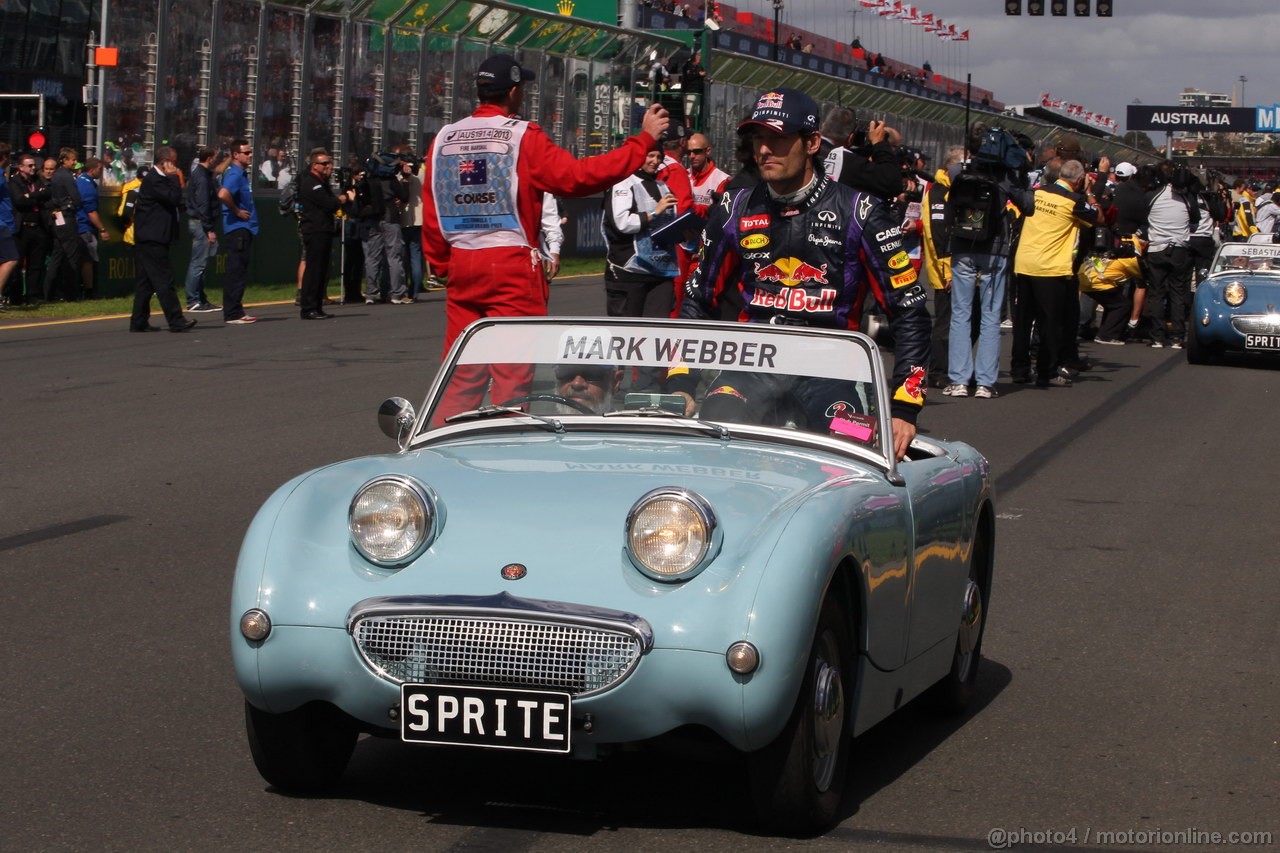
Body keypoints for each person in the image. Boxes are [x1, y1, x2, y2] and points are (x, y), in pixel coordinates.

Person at [680, 88, 931, 460]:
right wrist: (681, 381)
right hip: (753, 365)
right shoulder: (734, 206)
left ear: (812, 142)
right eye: (757, 139)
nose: (764, 150)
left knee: (852, 451)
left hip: (831, 369)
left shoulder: (861, 211)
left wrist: (906, 408)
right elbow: (697, 297)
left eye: (777, 139)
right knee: (713, 430)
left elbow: (909, 309)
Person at [422, 53, 669, 416]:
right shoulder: (522, 135)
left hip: (461, 260)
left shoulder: (444, 136)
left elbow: (434, 206)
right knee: (511, 374)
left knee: (462, 372)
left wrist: (441, 261)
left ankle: (442, 445)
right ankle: (506, 446)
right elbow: (576, 178)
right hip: (510, 263)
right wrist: (642, 141)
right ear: (515, 91)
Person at [943, 124, 1035, 400]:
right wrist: (1020, 172)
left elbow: (952, 178)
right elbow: (1028, 206)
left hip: (962, 245)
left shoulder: (960, 171)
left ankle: (959, 380)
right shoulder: (1006, 177)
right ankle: (985, 382)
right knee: (991, 315)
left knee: (960, 313)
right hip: (995, 248)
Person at [1010, 159, 1099, 385]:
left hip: (1024, 263)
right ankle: (1045, 371)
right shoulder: (1075, 200)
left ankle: (1019, 369)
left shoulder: (1036, 192)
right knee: (1049, 322)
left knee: (1022, 322)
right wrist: (1089, 193)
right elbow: (1099, 217)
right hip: (1051, 269)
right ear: (1079, 180)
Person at [603, 149, 680, 322]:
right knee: (626, 333)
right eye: (650, 156)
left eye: (659, 157)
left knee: (658, 332)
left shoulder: (663, 187)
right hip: (628, 271)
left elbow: (668, 224)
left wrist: (683, 231)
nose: (655, 161)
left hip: (661, 272)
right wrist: (654, 212)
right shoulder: (622, 184)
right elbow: (622, 223)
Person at [129, 146, 197, 333]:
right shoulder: (154, 179)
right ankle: (176, 320)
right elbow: (174, 198)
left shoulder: (160, 179)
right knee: (163, 280)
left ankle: (139, 321)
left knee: (146, 282)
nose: (175, 166)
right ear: (164, 162)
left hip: (155, 236)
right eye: (173, 162)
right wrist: (175, 177)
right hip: (152, 238)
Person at [298, 147, 356, 320]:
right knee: (314, 268)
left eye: (329, 163)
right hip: (315, 229)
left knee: (322, 269)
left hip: (324, 228)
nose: (328, 166)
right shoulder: (310, 182)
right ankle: (308, 307)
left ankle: (317, 305)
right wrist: (344, 198)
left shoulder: (322, 181)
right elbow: (329, 203)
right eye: (324, 163)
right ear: (314, 165)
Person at [217, 138, 259, 324]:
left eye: (250, 152)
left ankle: (235, 309)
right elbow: (223, 194)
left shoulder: (242, 174)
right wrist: (236, 211)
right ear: (236, 155)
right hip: (237, 229)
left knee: (239, 270)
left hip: (245, 228)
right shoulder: (234, 174)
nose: (250, 155)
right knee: (236, 271)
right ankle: (233, 312)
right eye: (246, 153)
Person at [43, 147, 91, 302]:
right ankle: (72, 293)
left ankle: (48, 293)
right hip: (66, 216)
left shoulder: (57, 176)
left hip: (57, 217)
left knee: (57, 255)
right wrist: (73, 203)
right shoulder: (66, 176)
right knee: (72, 254)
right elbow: (76, 198)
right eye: (72, 160)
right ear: (64, 160)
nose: (75, 162)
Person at [8, 152, 50, 306]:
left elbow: (47, 193)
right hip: (22, 229)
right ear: (21, 167)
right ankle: (16, 297)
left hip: (38, 228)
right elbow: (19, 201)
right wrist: (36, 196)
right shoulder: (15, 182)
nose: (33, 168)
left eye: (34, 165)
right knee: (17, 265)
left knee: (36, 264)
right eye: (30, 165)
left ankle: (33, 296)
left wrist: (30, 195)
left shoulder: (37, 180)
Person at [184, 146, 222, 313]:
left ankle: (201, 298)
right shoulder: (201, 177)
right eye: (216, 157)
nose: (217, 160)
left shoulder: (204, 175)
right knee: (198, 263)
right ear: (209, 158)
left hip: (201, 222)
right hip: (201, 223)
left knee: (202, 263)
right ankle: (193, 299)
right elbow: (203, 204)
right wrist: (209, 229)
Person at [686, 132, 729, 217]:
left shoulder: (722, 180)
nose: (692, 156)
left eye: (697, 151)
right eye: (688, 152)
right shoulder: (684, 175)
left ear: (708, 151)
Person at [554, 364, 622, 414]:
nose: (577, 384)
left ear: (615, 382)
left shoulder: (626, 430)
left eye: (592, 374)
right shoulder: (544, 426)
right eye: (567, 372)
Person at [0, 144, 20, 310]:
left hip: (5, 223)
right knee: (11, 258)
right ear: (4, 158)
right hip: (2, 224)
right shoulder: (0, 176)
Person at [679, 53, 707, 127]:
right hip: (689, 91)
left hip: (697, 91)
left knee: (695, 112)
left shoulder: (700, 66)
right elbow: (689, 76)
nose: (700, 57)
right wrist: (698, 74)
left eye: (700, 56)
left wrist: (707, 79)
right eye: (698, 56)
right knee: (688, 110)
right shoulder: (688, 65)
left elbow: (703, 75)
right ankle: (688, 126)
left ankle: (691, 127)